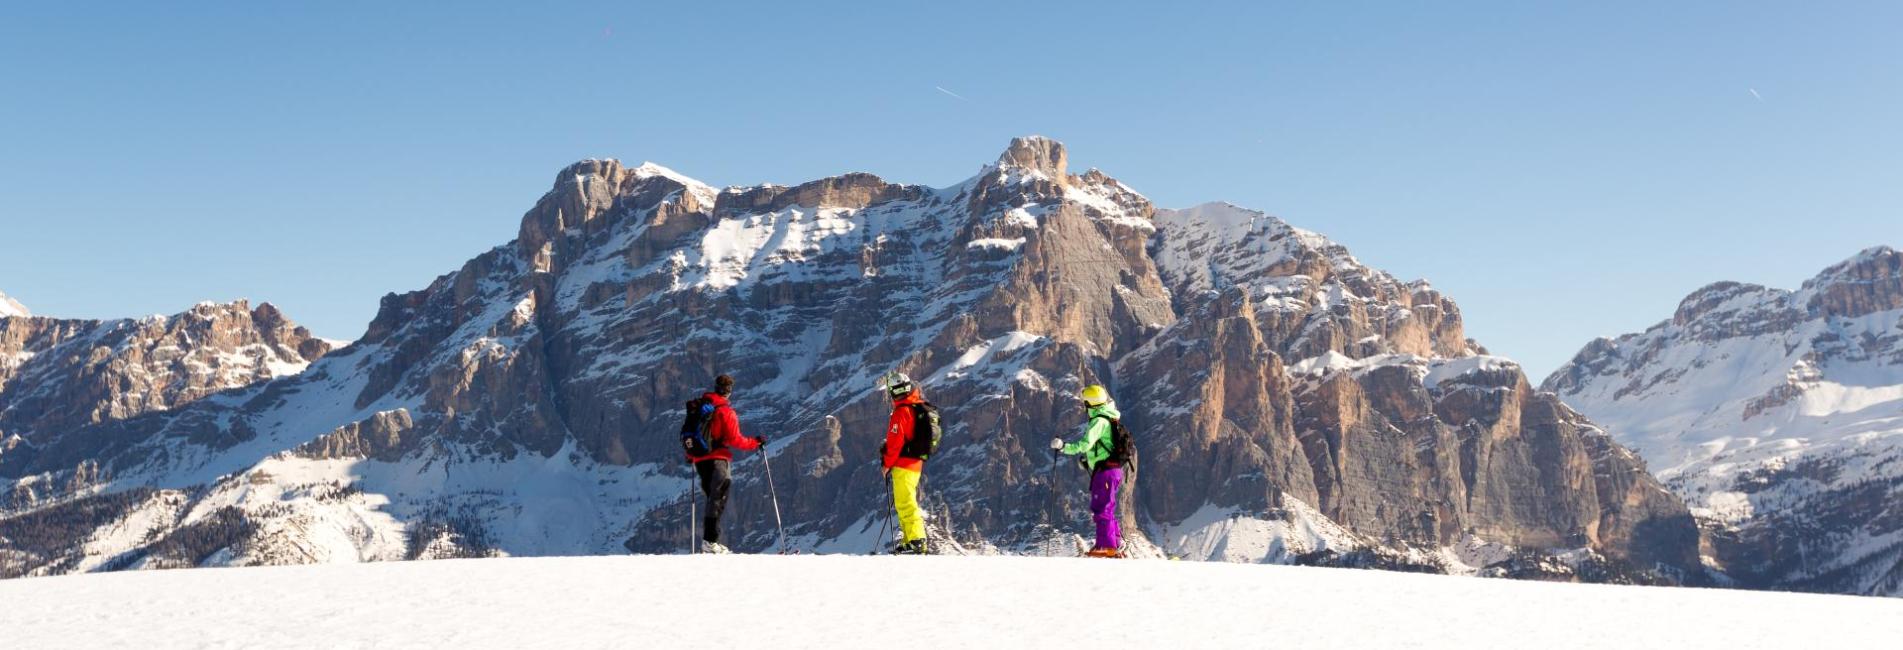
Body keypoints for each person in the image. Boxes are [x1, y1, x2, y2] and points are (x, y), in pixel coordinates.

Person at [686, 374, 766, 554]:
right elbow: (735, 439)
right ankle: (709, 542)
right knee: (718, 498)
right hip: (717, 459)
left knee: (712, 499)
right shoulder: (724, 411)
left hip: (700, 460)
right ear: (729, 391)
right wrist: (755, 443)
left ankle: (710, 542)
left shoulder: (701, 407)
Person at [1051, 384, 1128, 558]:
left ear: (1090, 404)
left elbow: (1084, 444)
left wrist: (1063, 447)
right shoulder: (1109, 418)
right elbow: (1104, 446)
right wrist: (1089, 460)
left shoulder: (1099, 421)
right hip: (1110, 470)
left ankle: (1106, 547)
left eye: (1085, 402)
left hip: (1105, 471)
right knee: (1106, 507)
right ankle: (1115, 542)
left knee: (1102, 508)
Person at [879, 371, 938, 555]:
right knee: (904, 501)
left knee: (905, 502)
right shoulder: (914, 406)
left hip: (903, 464)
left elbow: (895, 442)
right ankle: (909, 541)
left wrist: (886, 463)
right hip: (914, 463)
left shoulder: (901, 412)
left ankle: (916, 540)